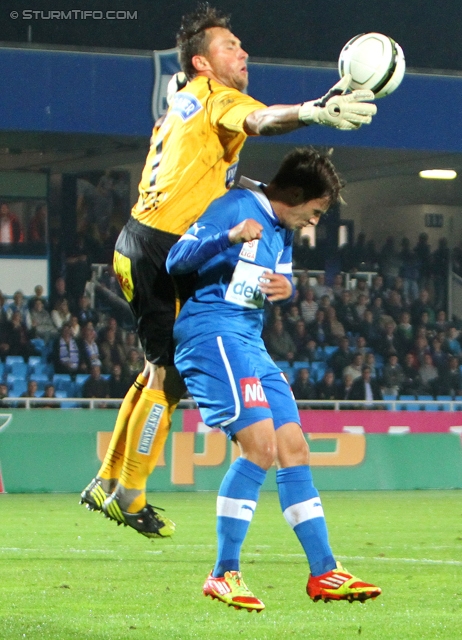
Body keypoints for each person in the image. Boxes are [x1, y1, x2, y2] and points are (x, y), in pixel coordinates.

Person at [79, 2, 378, 537]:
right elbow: (262, 119)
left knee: (155, 370)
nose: (242, 52)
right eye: (228, 46)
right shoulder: (218, 98)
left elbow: (223, 178)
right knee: (167, 379)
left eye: (241, 45)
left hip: (141, 239)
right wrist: (315, 111)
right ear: (201, 63)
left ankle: (109, 481)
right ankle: (128, 494)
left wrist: (272, 191)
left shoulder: (186, 102)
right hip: (159, 247)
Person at [166, 147, 380, 611]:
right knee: (260, 446)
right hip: (212, 333)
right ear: (296, 194)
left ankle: (325, 572)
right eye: (317, 212)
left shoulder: (281, 234)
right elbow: (176, 259)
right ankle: (223, 573)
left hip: (250, 341)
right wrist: (227, 237)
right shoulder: (234, 207)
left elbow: (274, 280)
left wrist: (289, 289)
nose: (315, 223)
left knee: (294, 448)